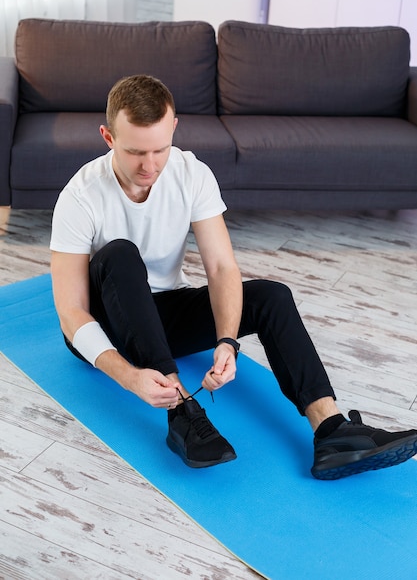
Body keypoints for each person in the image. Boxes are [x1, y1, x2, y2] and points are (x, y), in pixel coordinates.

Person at [50, 74, 417, 479]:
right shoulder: (80, 196)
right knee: (120, 253)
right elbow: (70, 312)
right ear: (108, 137)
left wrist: (226, 341)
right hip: (104, 327)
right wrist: (129, 377)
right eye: (136, 152)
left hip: (161, 314)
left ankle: (331, 430)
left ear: (174, 128)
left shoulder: (193, 174)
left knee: (271, 297)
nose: (150, 165)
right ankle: (182, 412)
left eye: (160, 149)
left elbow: (222, 267)